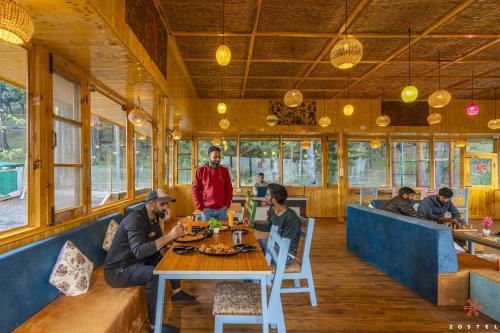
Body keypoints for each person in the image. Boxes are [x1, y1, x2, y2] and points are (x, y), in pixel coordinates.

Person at [104, 190, 196, 332]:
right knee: (154, 274)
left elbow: (161, 247)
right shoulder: (135, 220)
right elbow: (139, 251)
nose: (166, 207)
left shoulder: (153, 219)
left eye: (167, 204)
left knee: (170, 254)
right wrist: (171, 235)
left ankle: (177, 292)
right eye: (163, 204)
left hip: (136, 261)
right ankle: (154, 327)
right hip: (119, 270)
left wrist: (174, 254)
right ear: (151, 204)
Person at [245, 183, 302, 265]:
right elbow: (267, 227)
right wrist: (252, 224)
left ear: (274, 200)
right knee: (251, 248)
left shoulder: (291, 218)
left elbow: (285, 245)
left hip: (286, 255)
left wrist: (265, 244)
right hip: (275, 246)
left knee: (253, 257)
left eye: (267, 195)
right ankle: (256, 276)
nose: (265, 196)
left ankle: (257, 276)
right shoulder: (272, 210)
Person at [192, 145, 233, 221]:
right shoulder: (200, 170)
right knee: (207, 232)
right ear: (209, 157)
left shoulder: (224, 171)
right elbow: (195, 190)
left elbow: (229, 189)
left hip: (222, 210)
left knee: (224, 232)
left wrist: (227, 205)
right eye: (215, 157)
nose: (218, 159)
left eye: (219, 157)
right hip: (206, 210)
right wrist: (200, 207)